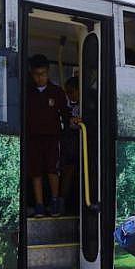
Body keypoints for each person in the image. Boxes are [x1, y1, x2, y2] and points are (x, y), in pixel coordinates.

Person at [26, 54, 74, 217]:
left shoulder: (57, 92)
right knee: (36, 172)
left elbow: (66, 113)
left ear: (48, 73)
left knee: (53, 170)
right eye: (37, 74)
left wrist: (72, 120)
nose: (40, 78)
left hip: (53, 138)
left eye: (43, 74)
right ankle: (39, 204)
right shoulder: (27, 92)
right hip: (32, 138)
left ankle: (54, 202)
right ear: (32, 74)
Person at [60, 76, 81, 212]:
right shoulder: (66, 107)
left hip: (82, 144)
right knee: (68, 171)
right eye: (67, 92)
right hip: (70, 145)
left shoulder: (89, 105)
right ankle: (63, 202)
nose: (69, 95)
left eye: (72, 92)